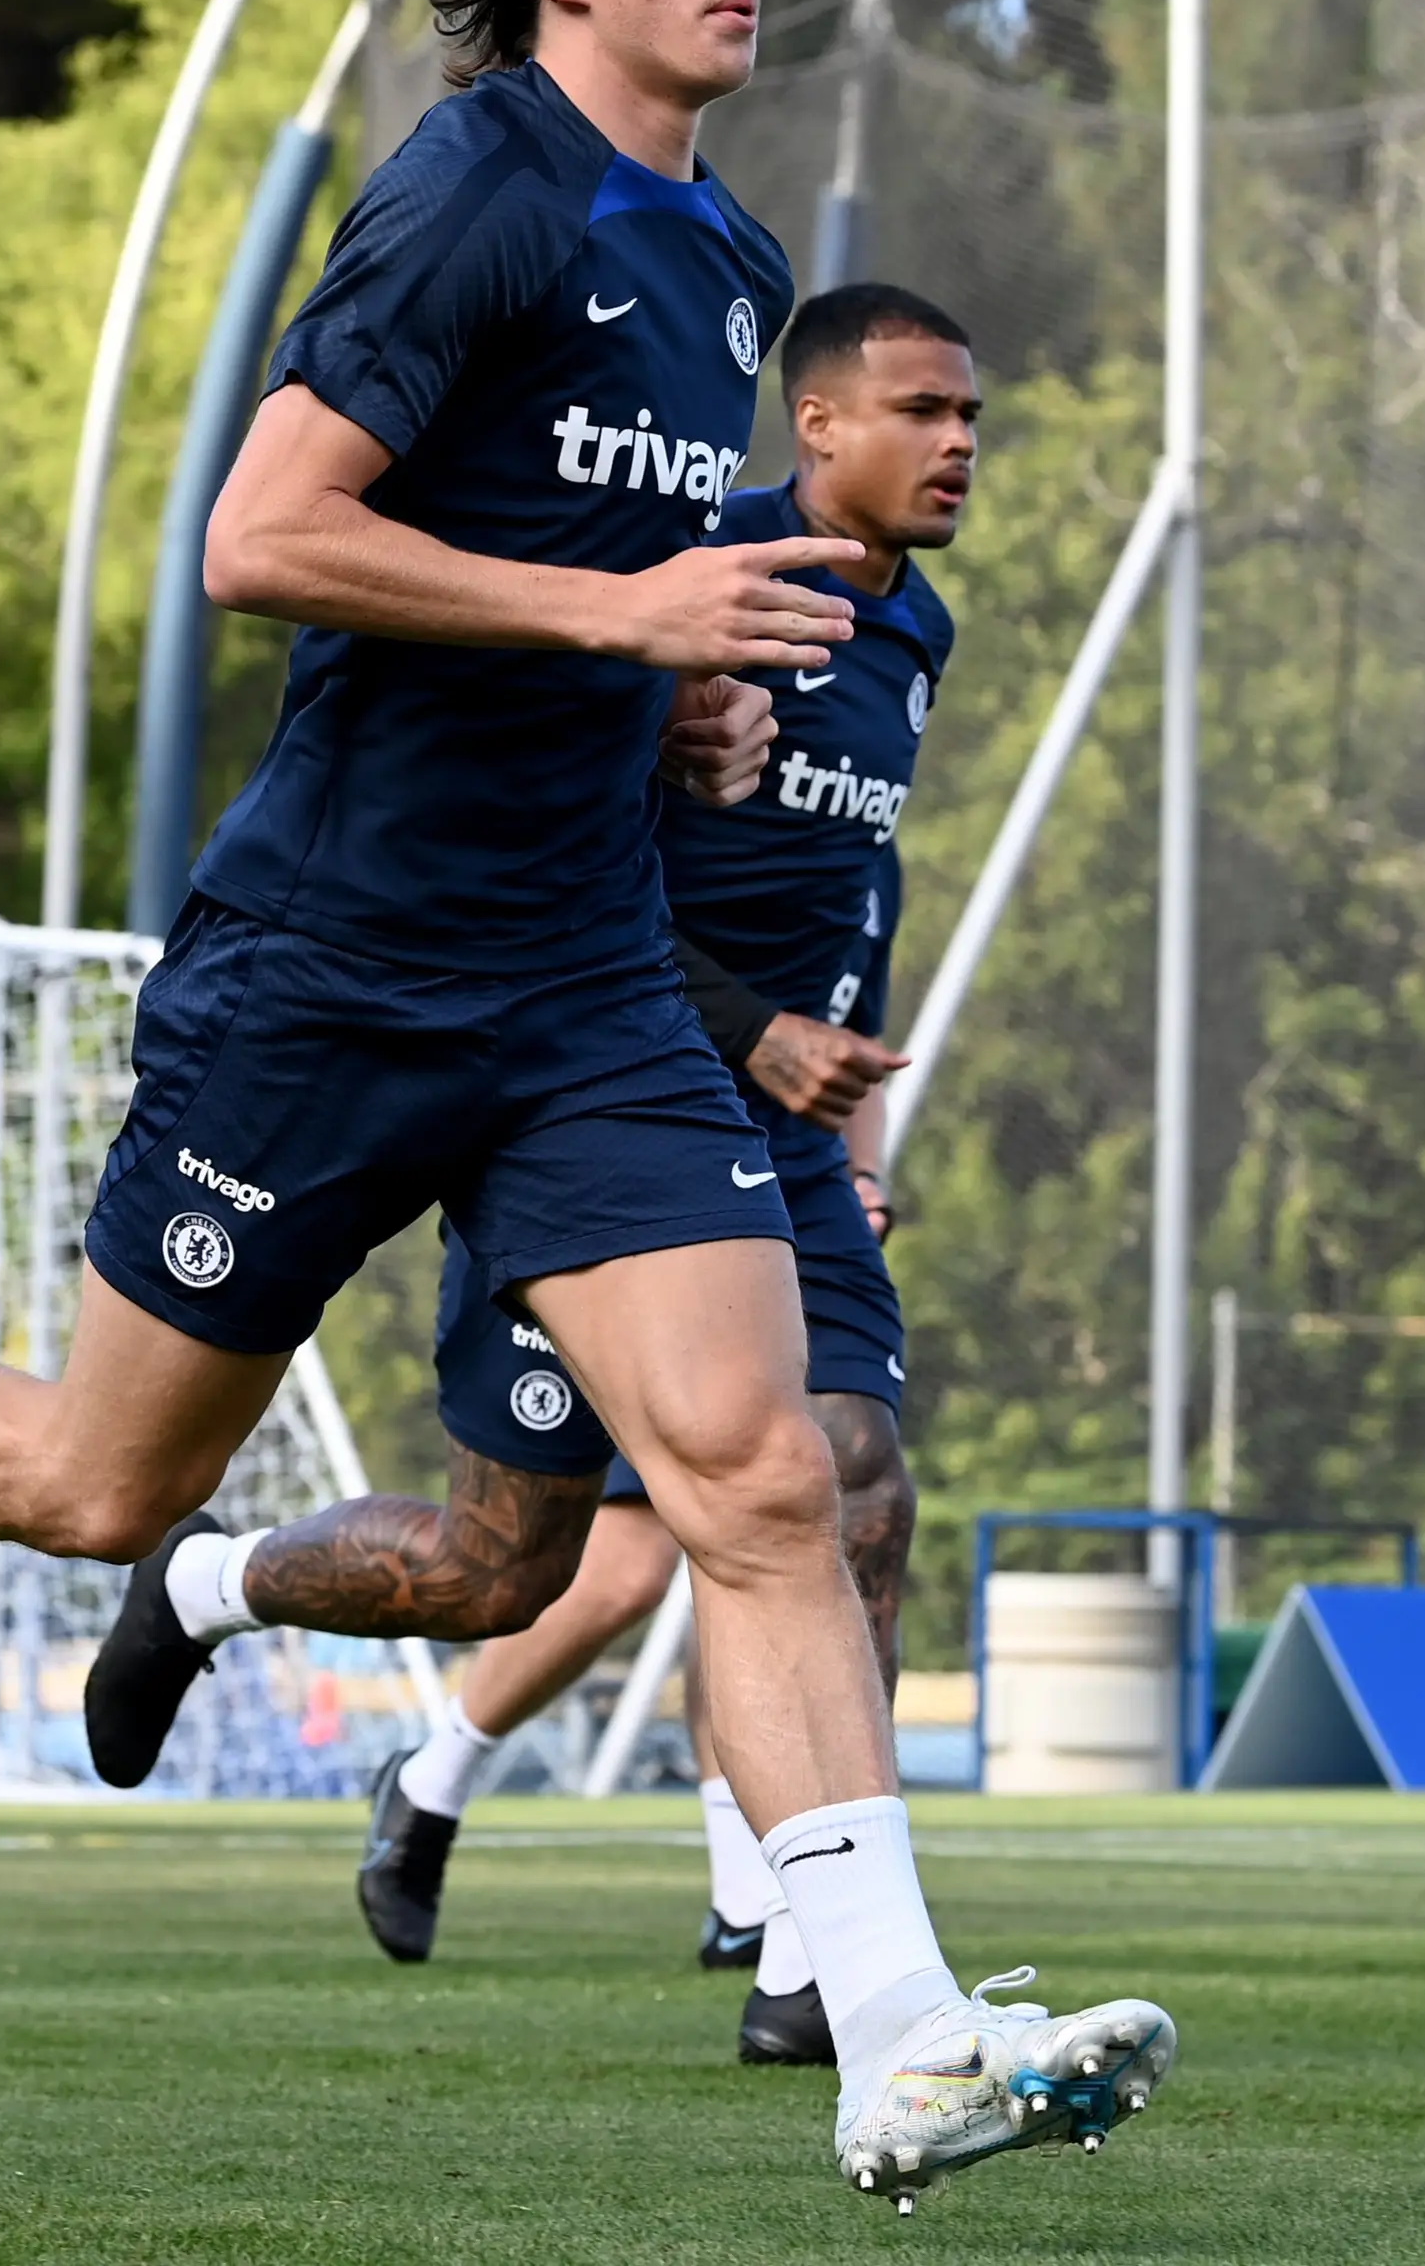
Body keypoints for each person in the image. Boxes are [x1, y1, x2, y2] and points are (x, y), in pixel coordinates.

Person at [0, 0, 1169, 2209]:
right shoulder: (467, 196)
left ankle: (899, 2037)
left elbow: (583, 573)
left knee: (763, 1476)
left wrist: (678, 690)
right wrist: (624, 616)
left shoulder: (732, 264)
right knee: (103, 1482)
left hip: (578, 990)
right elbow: (262, 533)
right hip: (329, 969)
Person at [139, 286, 976, 2084]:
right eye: (922, 406)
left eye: (972, 412)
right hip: (609, 1083)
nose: (961, 440)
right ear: (813, 428)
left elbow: (863, 909)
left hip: (780, 1134)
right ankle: (216, 1582)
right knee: (508, 1565)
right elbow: (560, 842)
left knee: (841, 1487)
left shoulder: (918, 638)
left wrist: (855, 1126)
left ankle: (807, 1950)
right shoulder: (705, 564)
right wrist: (745, 1030)